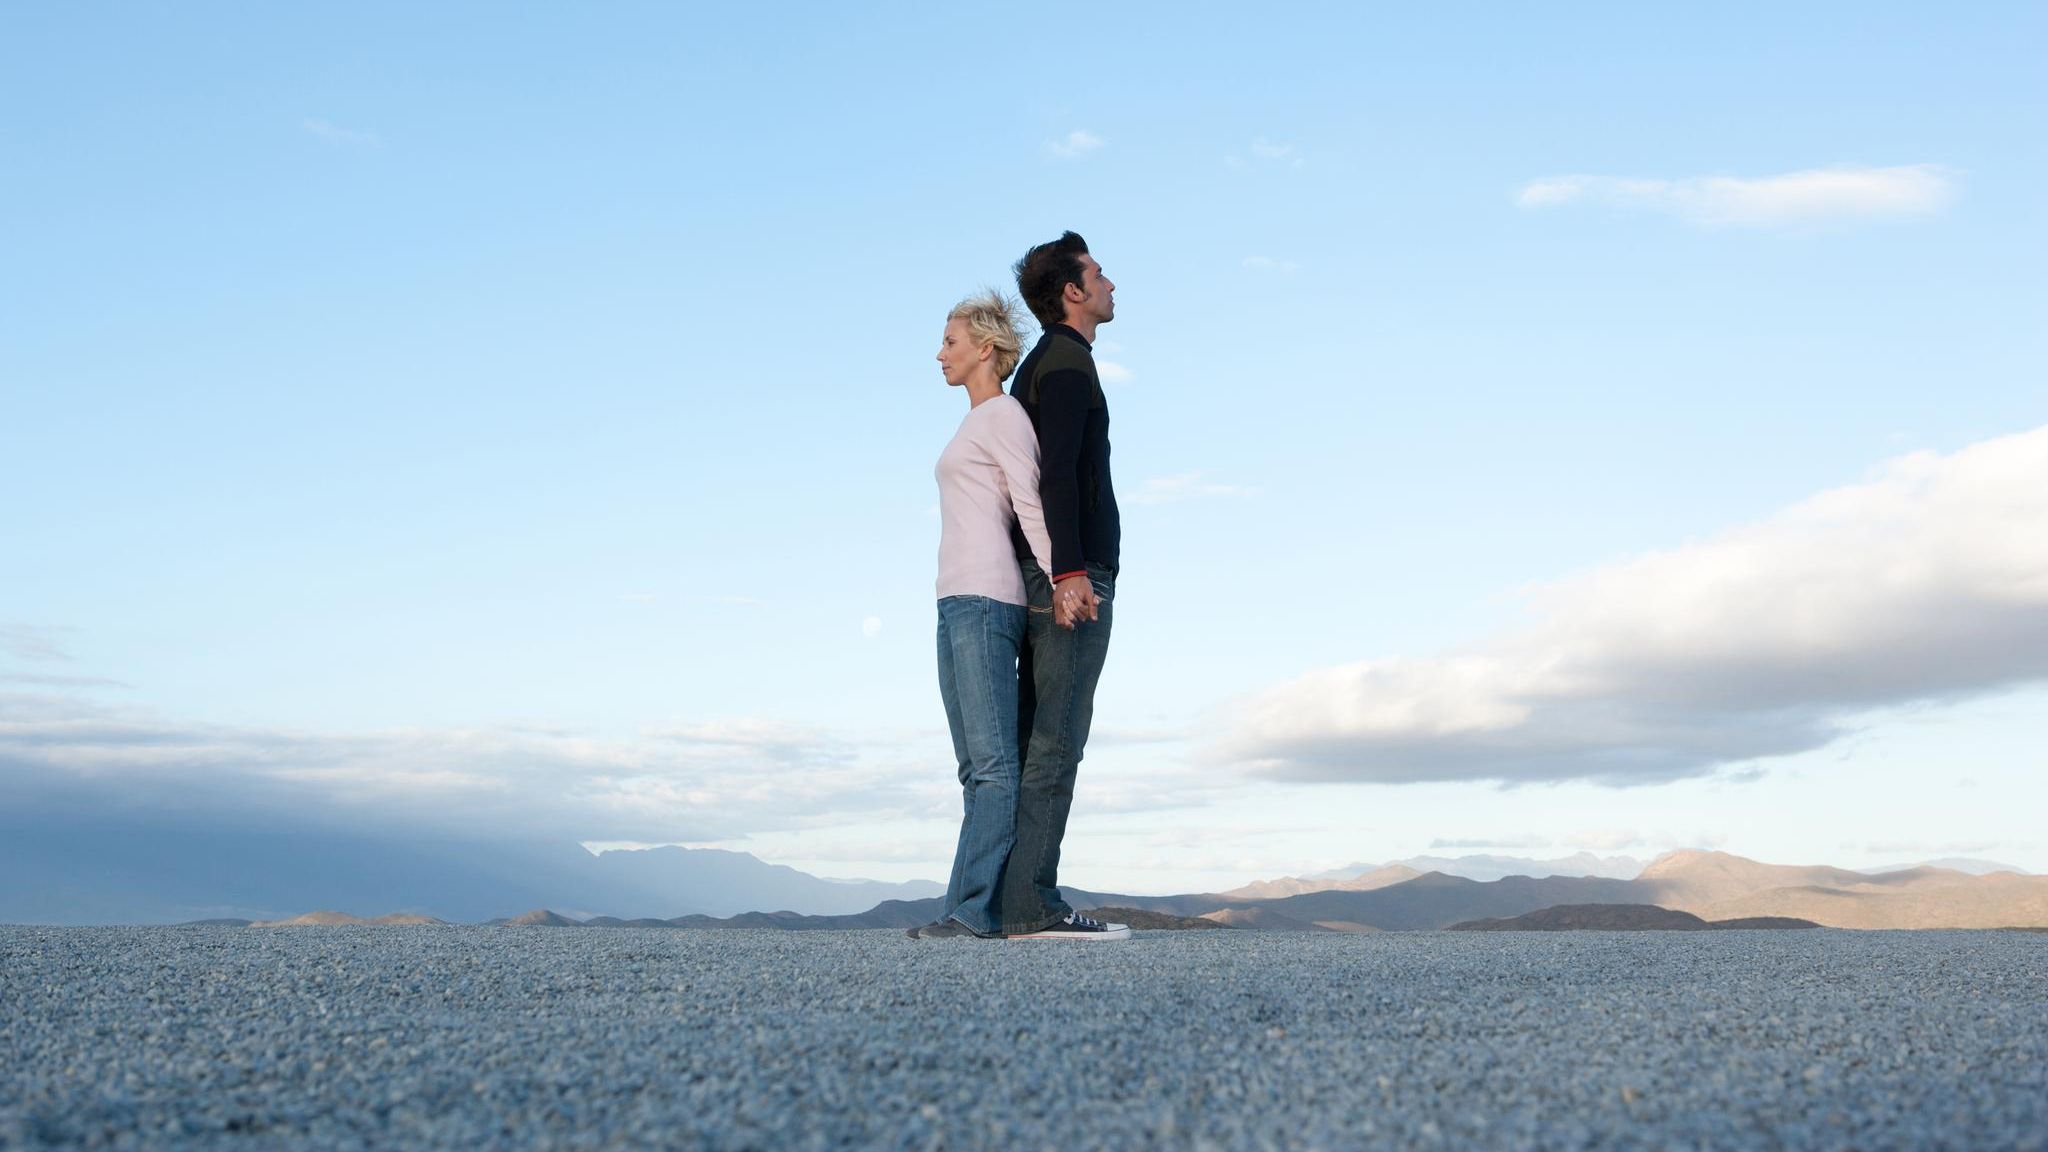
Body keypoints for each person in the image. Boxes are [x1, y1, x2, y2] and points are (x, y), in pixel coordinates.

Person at [908, 290, 1058, 940]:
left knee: (994, 766)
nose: (940, 353)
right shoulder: (974, 422)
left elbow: (1030, 504)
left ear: (985, 349)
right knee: (976, 769)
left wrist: (1062, 581)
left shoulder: (1003, 416)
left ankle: (974, 912)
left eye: (950, 341)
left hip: (988, 600)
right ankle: (964, 909)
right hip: (954, 601)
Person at [999, 232, 1129, 941]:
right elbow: (1056, 475)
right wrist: (1072, 572)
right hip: (1066, 578)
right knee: (1056, 740)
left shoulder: (1043, 366)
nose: (1113, 284)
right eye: (1100, 274)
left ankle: (1013, 897)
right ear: (1073, 292)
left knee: (1031, 741)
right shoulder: (1068, 364)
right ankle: (1033, 906)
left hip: (1041, 572)